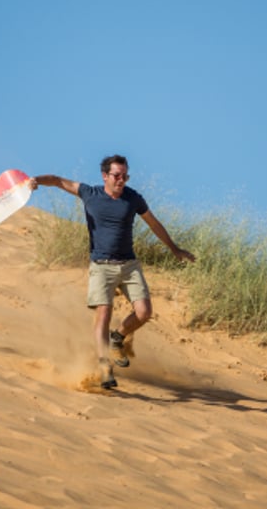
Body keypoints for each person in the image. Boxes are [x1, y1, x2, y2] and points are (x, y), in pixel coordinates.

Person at [29, 155, 195, 389]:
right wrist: (35, 180)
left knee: (144, 312)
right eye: (117, 175)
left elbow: (154, 224)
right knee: (103, 314)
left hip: (129, 265)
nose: (121, 180)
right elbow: (57, 181)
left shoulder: (133, 198)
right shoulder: (90, 194)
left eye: (125, 176)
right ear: (105, 176)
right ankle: (104, 364)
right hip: (101, 266)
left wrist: (174, 249)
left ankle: (118, 337)